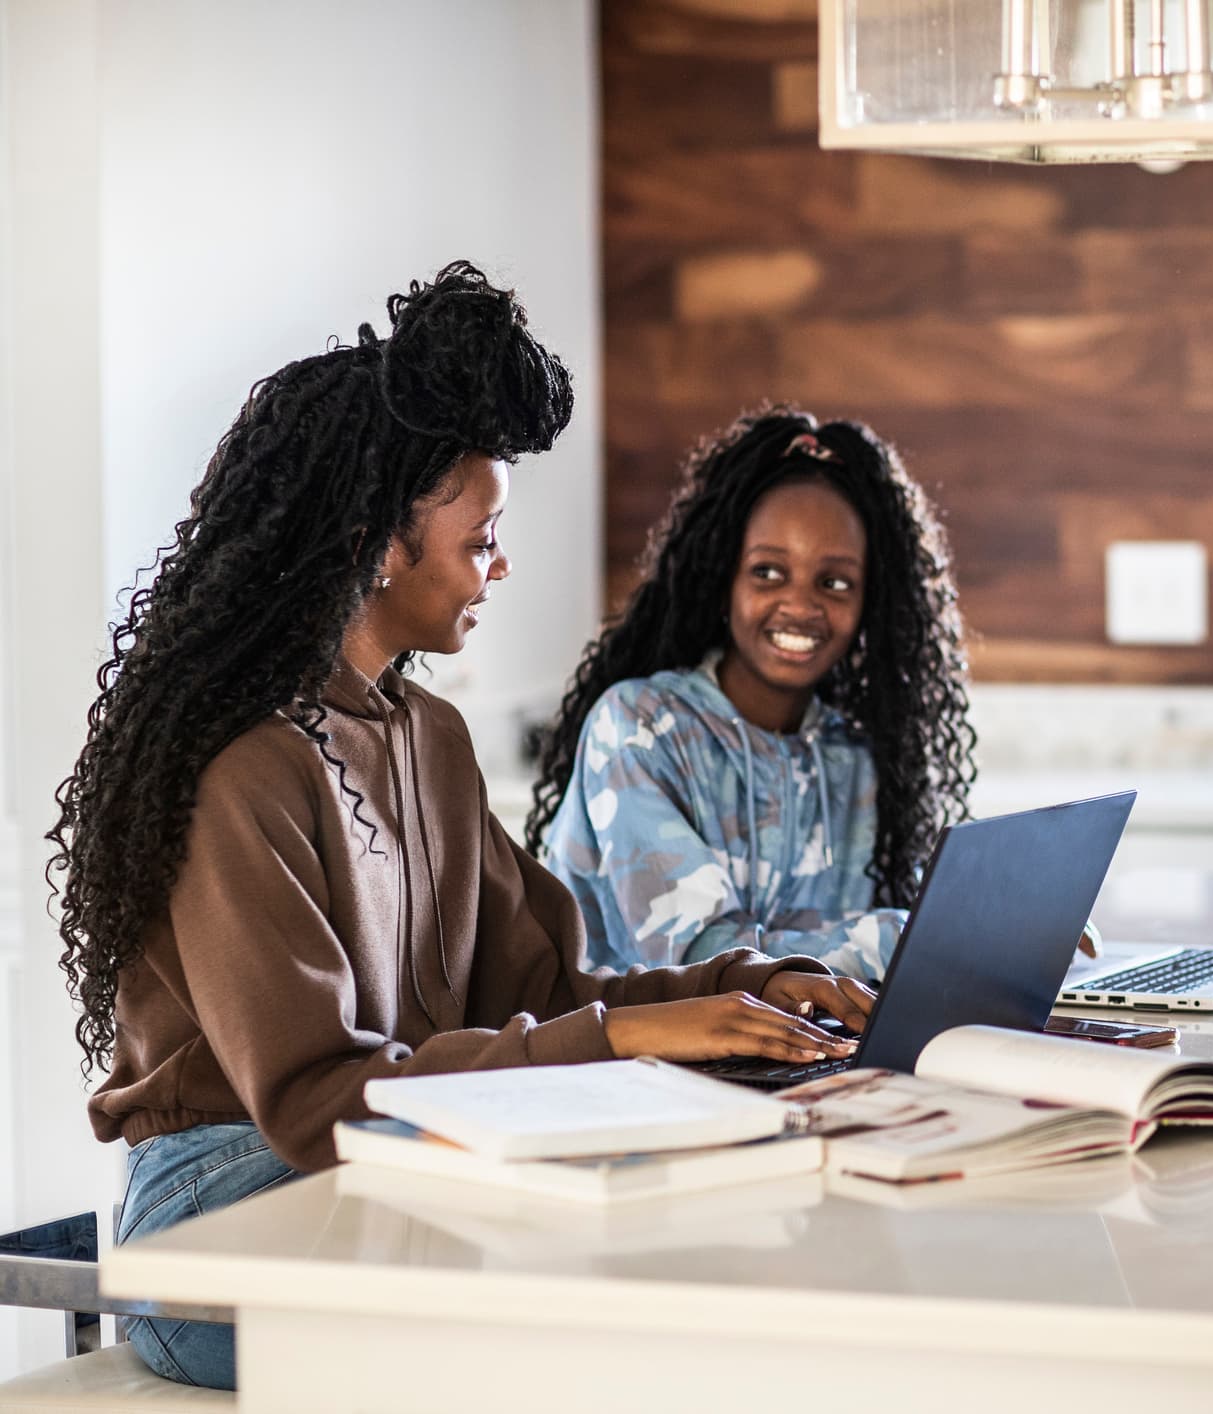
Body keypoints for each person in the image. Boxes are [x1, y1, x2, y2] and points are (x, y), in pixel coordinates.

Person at [47, 267, 872, 1392]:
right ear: (383, 541)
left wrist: (746, 986)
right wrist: (634, 1042)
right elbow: (312, 1100)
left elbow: (543, 986)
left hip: (387, 1161)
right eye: (483, 535)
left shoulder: (424, 733)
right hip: (221, 1212)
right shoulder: (240, 765)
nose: (501, 564)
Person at [526, 409, 984, 983]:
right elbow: (703, 961)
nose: (800, 605)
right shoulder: (637, 728)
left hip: (791, 1060)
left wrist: (999, 932)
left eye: (835, 582)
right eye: (768, 572)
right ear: (722, 580)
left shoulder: (861, 760)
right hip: (625, 1063)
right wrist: (938, 934)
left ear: (873, 605)